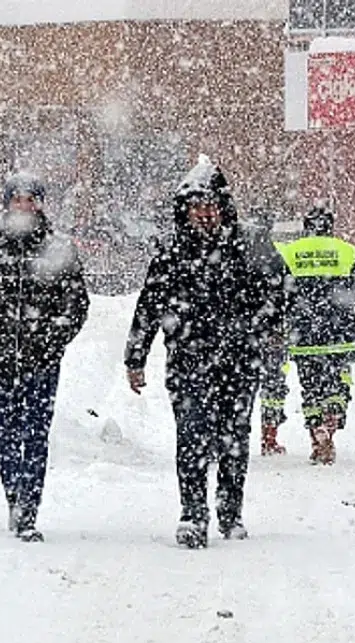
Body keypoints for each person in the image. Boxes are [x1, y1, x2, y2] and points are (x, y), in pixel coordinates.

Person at [124, 155, 286, 549]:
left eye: (210, 205)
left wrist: (259, 329)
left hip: (239, 360)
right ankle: (193, 513)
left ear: (223, 207)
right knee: (192, 436)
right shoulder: (171, 252)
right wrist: (135, 356)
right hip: (187, 361)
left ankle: (230, 511)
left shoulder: (249, 245)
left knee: (234, 436)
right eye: (196, 206)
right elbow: (149, 305)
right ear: (185, 210)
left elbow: (281, 293)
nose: (203, 214)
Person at [0, 171, 89, 543]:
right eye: (18, 199)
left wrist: (53, 338)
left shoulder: (58, 248)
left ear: (40, 204)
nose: (24, 206)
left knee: (36, 434)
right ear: (7, 202)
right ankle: (13, 496)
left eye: (31, 200)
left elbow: (76, 304)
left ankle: (29, 507)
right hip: (1, 360)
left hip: (43, 362)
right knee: (7, 434)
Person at [273, 205, 355, 465]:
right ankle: (332, 417)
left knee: (310, 388)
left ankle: (316, 431)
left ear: (305, 226)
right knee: (338, 383)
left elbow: (279, 296)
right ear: (330, 226)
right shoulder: (347, 251)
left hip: (303, 337)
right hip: (339, 336)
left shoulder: (290, 253)